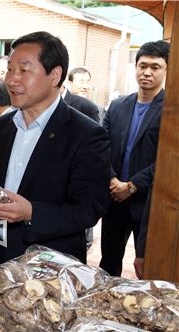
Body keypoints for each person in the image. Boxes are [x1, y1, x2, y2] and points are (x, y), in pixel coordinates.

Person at [0, 31, 110, 270]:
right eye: (10, 70)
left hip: (48, 268)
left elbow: (89, 208)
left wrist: (32, 212)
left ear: (55, 75)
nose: (11, 80)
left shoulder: (85, 134)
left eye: (24, 71)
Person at [99, 40, 169, 277]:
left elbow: (168, 159)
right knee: (108, 263)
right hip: (114, 198)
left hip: (149, 202)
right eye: (142, 65)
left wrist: (132, 185)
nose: (147, 72)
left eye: (156, 67)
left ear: (167, 70)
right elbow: (101, 148)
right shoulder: (118, 106)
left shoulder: (171, 110)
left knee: (147, 268)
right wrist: (113, 180)